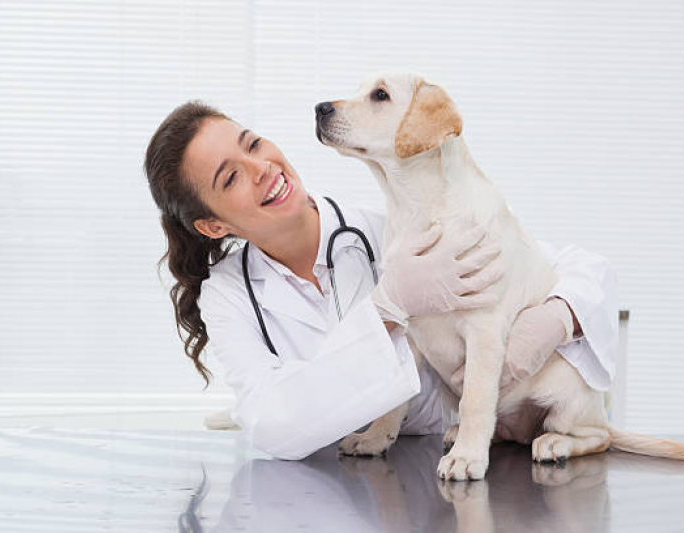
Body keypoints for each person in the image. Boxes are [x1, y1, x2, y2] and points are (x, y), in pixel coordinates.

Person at [143, 100, 619, 460]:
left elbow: (576, 265)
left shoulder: (391, 231)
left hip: (454, 459)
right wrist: (386, 307)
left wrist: (561, 315)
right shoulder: (228, 295)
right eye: (230, 178)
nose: (261, 167)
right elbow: (272, 426)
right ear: (213, 226)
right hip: (341, 485)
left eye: (252, 143)